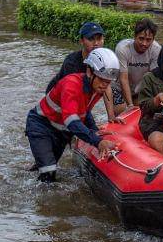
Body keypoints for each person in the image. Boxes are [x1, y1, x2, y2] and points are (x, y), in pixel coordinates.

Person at [25, 47, 119, 182]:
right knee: (49, 173)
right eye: (102, 79)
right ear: (89, 71)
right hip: (41, 125)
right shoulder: (72, 84)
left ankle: (36, 168)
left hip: (61, 131)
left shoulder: (96, 88)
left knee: (48, 168)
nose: (105, 85)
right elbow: (72, 121)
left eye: (108, 81)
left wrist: (94, 130)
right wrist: (97, 141)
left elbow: (84, 111)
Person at [44, 22, 115, 121]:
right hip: (58, 98)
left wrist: (111, 117)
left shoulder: (104, 60)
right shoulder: (71, 63)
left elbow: (106, 87)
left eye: (99, 39)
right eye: (91, 39)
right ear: (81, 41)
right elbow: (71, 95)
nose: (96, 43)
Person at [114, 18, 160, 114]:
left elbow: (153, 79)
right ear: (134, 36)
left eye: (148, 40)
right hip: (119, 87)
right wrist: (130, 105)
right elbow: (123, 79)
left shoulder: (156, 50)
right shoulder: (122, 49)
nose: (144, 43)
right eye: (141, 38)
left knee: (142, 112)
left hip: (139, 90)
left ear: (153, 39)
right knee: (121, 111)